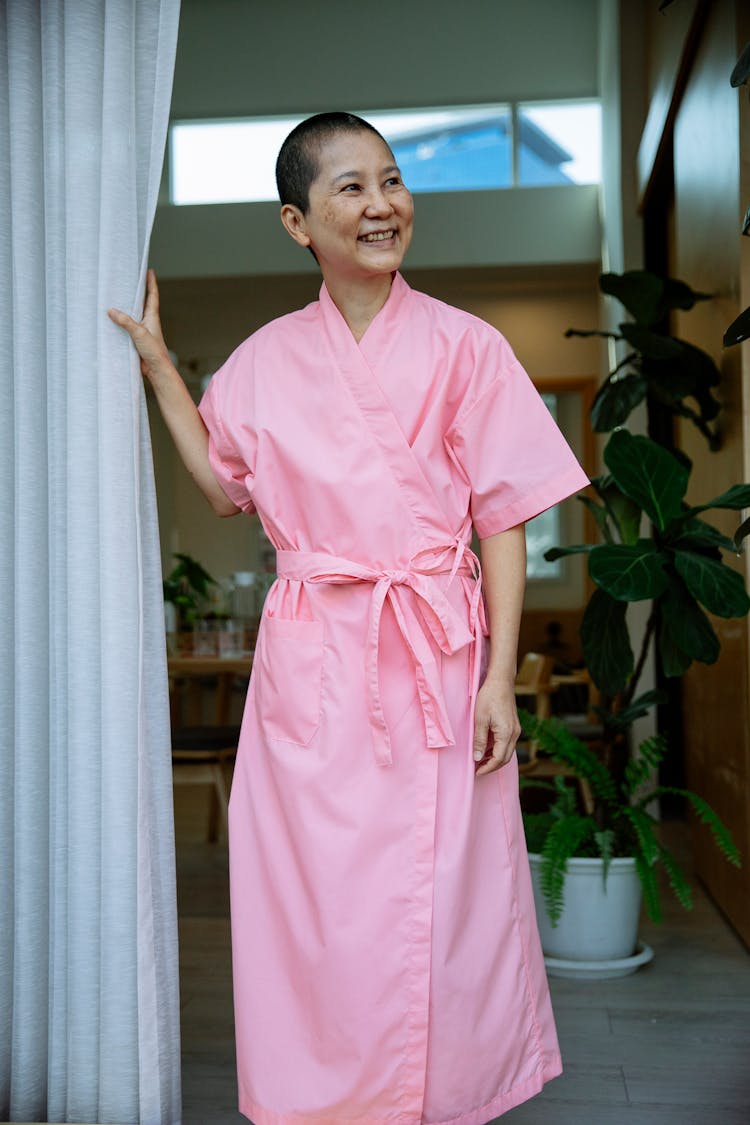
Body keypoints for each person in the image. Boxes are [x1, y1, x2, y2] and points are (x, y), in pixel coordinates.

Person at [109, 112, 589, 1125]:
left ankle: (443, 1093)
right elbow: (223, 486)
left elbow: (502, 519)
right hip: (314, 662)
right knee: (316, 898)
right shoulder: (265, 359)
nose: (383, 205)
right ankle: (325, 1100)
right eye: (352, 189)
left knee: (446, 893)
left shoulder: (469, 345)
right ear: (298, 223)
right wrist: (161, 368)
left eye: (394, 182)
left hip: (437, 655)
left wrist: (499, 677)